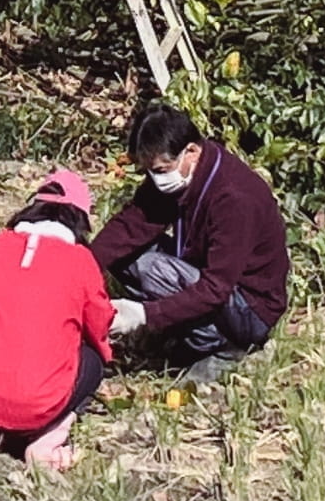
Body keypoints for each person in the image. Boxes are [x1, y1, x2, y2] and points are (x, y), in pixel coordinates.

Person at [91, 104, 290, 388]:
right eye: (149, 172)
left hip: (250, 308)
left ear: (192, 152)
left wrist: (146, 314)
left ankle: (221, 346)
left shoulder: (234, 199)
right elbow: (133, 224)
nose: (157, 179)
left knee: (151, 268)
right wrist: (83, 267)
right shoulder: (182, 176)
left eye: (161, 170)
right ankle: (184, 332)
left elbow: (216, 287)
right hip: (206, 274)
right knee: (127, 255)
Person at [0, 170, 116, 470]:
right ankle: (47, 439)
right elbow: (99, 325)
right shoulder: (80, 260)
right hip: (32, 403)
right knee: (93, 361)